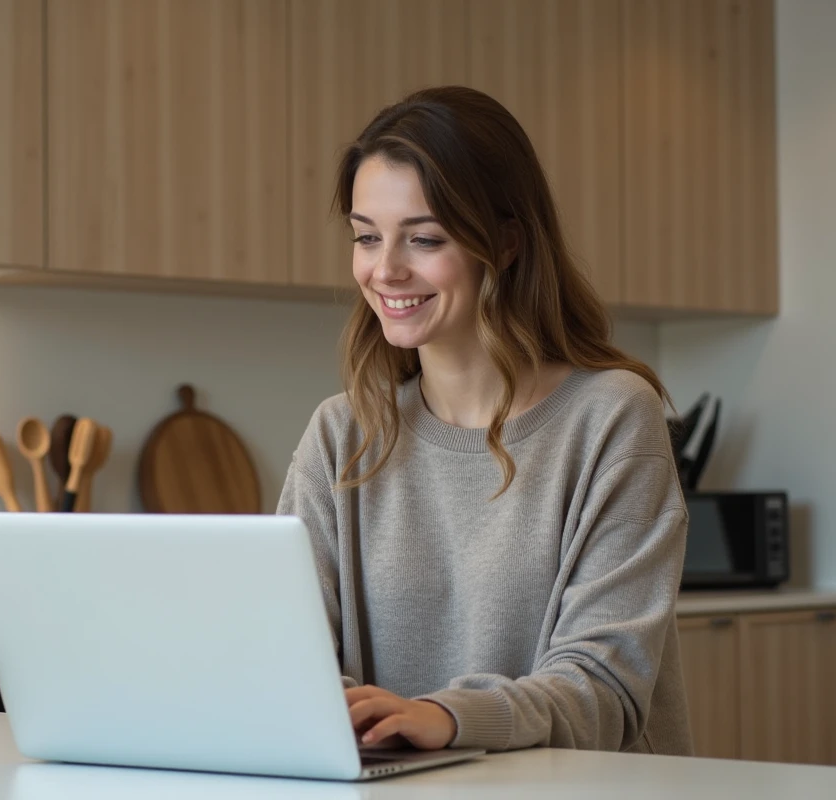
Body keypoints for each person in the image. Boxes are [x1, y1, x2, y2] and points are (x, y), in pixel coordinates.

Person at [277, 86, 691, 756]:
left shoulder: (611, 417)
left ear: (503, 244)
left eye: (424, 238)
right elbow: (285, 654)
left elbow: (608, 691)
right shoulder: (341, 435)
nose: (385, 269)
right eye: (366, 237)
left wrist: (447, 716)